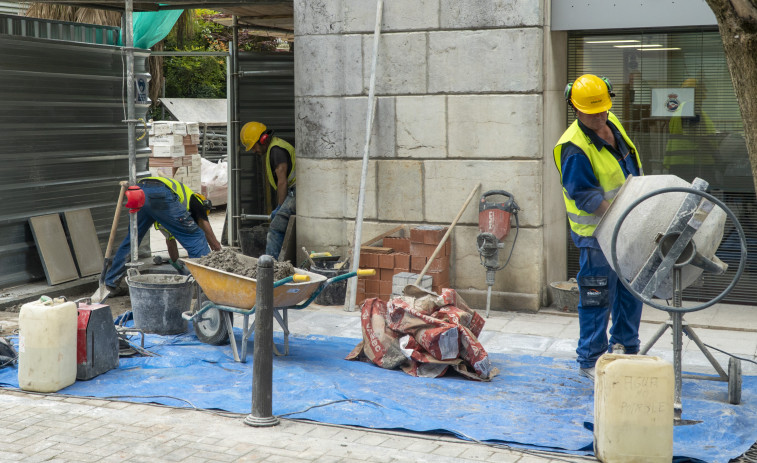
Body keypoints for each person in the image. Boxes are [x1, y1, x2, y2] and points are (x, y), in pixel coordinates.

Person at [553, 74, 644, 381]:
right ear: (575, 109)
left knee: (631, 291)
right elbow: (585, 195)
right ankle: (591, 358)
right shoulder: (573, 148)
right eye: (591, 112)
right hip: (596, 236)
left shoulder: (611, 123)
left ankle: (626, 347)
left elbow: (628, 168)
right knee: (597, 295)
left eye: (603, 109)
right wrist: (619, 217)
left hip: (626, 228)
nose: (599, 116)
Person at [102, 176, 222, 295]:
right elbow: (210, 237)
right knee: (196, 237)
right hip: (159, 192)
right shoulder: (197, 202)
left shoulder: (171, 212)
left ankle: (110, 283)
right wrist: (220, 255)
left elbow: (170, 241)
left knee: (132, 240)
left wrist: (177, 265)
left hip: (139, 192)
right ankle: (208, 287)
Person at [240, 121, 296, 260]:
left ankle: (271, 268)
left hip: (296, 191)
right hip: (296, 191)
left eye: (254, 147)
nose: (254, 151)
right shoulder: (275, 147)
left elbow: (282, 182)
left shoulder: (276, 151)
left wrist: (280, 208)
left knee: (276, 229)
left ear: (263, 139)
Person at [664, 78, 718, 182]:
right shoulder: (691, 107)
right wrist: (716, 156)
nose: (705, 93)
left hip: (683, 162)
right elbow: (695, 136)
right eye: (703, 90)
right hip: (690, 163)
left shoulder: (683, 108)